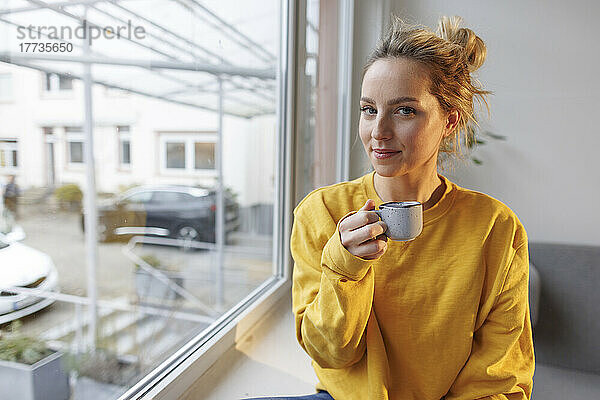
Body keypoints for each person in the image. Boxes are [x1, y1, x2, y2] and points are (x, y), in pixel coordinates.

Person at [275, 15, 533, 400]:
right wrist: (345, 264)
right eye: (368, 109)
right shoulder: (322, 212)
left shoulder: (495, 227)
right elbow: (330, 353)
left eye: (405, 111)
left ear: (449, 121)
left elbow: (500, 380)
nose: (379, 131)